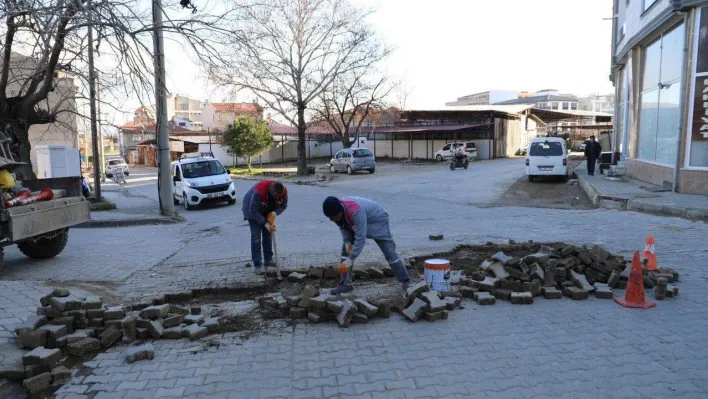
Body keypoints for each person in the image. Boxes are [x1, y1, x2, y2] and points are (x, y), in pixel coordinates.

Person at [322, 196, 411, 294]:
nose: (331, 220)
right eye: (329, 217)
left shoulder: (355, 212)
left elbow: (360, 238)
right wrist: (348, 244)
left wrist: (350, 260)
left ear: (339, 213)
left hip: (378, 220)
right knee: (345, 251)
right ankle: (345, 284)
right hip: (359, 221)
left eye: (332, 217)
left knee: (389, 253)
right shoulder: (337, 212)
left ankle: (406, 281)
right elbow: (343, 227)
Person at [242, 180, 288, 275]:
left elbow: (284, 206)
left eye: (279, 196)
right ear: (271, 190)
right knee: (256, 237)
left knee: (268, 235)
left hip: (267, 211)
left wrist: (275, 213)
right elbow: (253, 211)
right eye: (276, 197)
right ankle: (258, 265)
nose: (278, 198)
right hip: (252, 211)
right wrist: (265, 224)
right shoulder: (259, 191)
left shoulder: (283, 192)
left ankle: (268, 260)